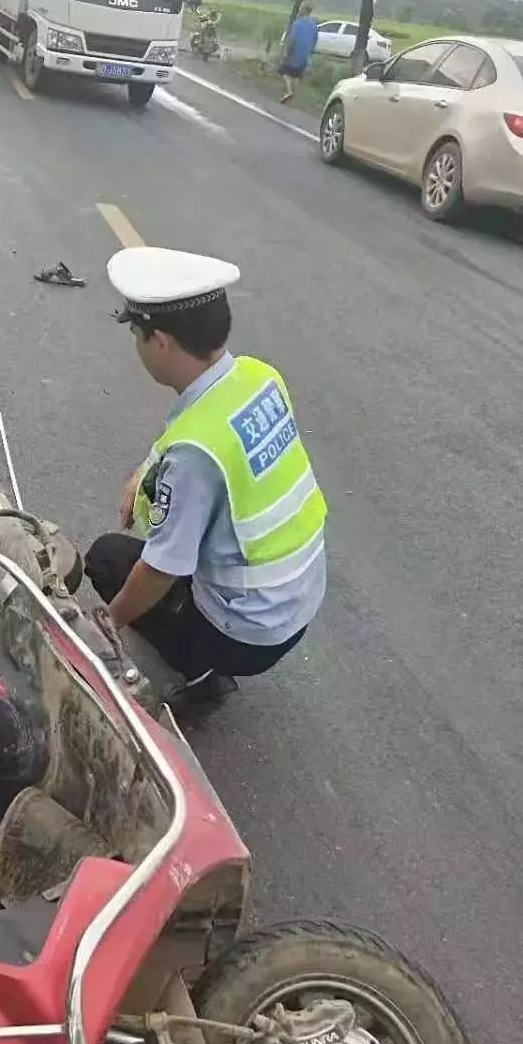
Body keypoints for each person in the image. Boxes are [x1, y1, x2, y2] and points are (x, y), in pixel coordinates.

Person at [86, 247, 327, 708]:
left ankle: (203, 675)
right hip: (298, 600)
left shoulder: (195, 457)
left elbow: (161, 569)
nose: (136, 347)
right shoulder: (259, 375)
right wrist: (148, 466)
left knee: (107, 560)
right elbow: (205, 425)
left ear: (160, 342)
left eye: (136, 334)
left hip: (249, 634)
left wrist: (106, 623)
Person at [279, 1, 319, 103]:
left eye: (301, 8)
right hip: (306, 55)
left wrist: (286, 52)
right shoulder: (314, 25)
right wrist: (310, 54)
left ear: (304, 10)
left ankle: (289, 91)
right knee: (297, 75)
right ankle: (294, 96)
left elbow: (292, 40)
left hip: (295, 52)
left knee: (284, 71)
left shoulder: (297, 24)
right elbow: (315, 40)